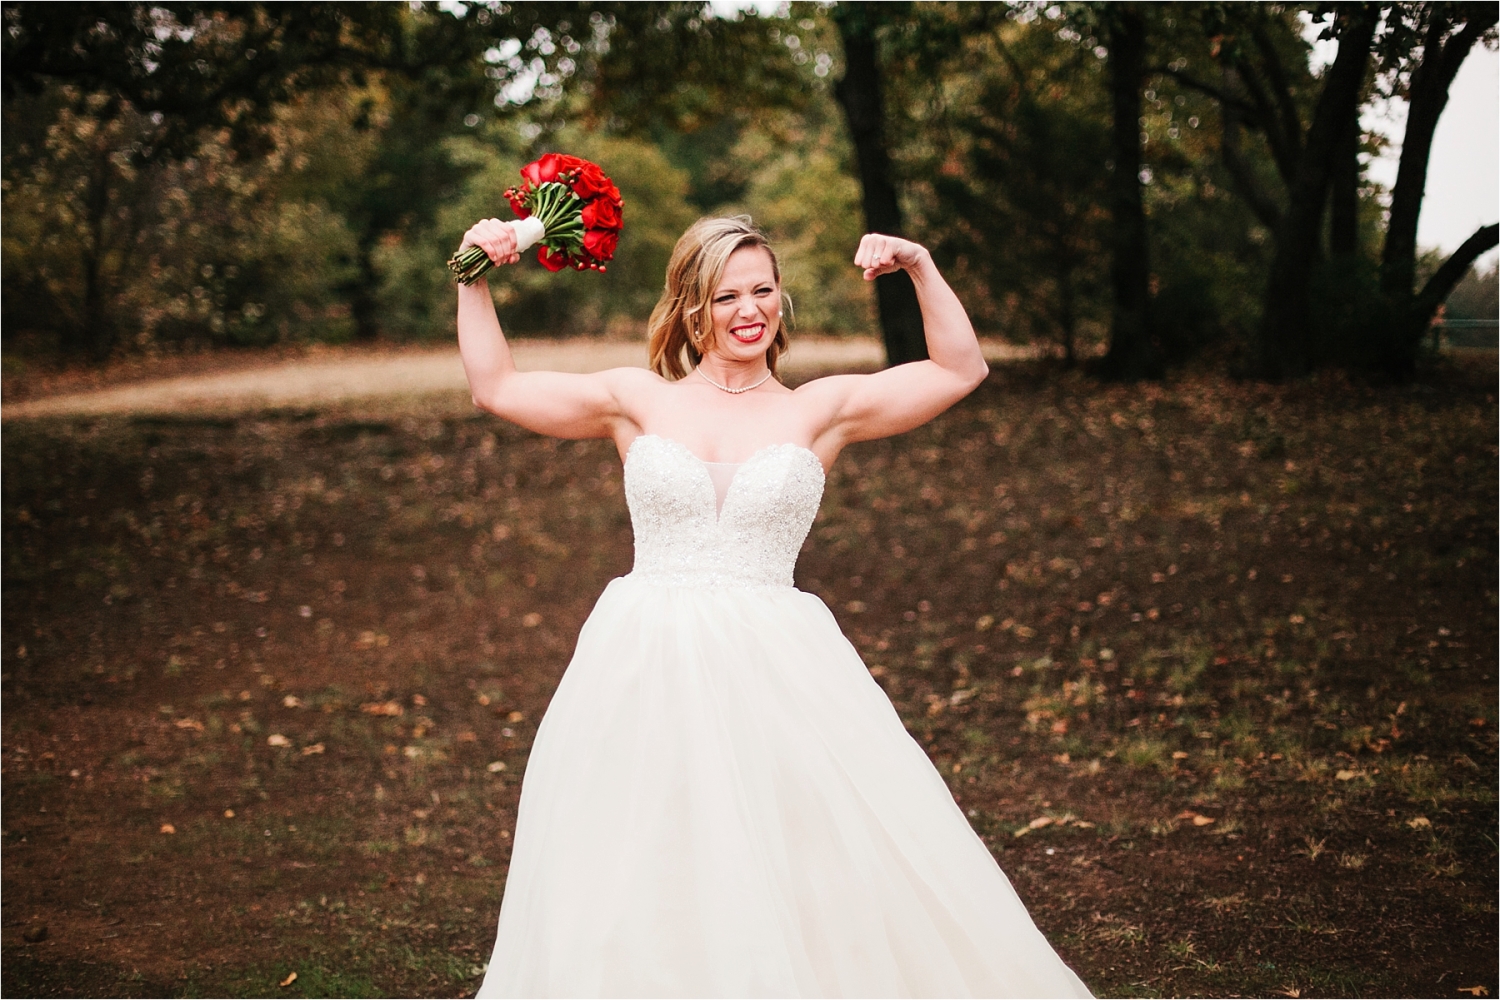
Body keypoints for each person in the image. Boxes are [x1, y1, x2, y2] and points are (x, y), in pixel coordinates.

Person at [456, 214, 1092, 998]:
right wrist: (473, 273)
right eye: (727, 295)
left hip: (780, 666)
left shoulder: (818, 410)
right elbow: (497, 388)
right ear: (693, 306)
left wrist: (921, 265)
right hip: (644, 657)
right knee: (641, 851)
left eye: (763, 290)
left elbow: (960, 370)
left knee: (799, 853)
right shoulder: (636, 399)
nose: (748, 309)